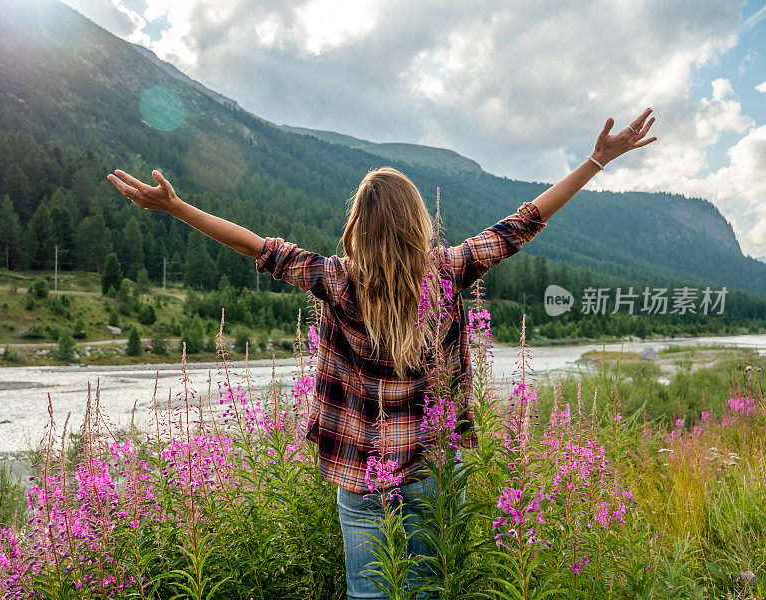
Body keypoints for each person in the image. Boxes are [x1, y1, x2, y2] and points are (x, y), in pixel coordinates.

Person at [108, 108, 656, 599]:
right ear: (418, 223)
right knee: (431, 587)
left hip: (360, 476)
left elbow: (258, 246)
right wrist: (595, 162)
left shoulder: (335, 281)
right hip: (433, 469)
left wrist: (177, 207)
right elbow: (524, 223)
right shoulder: (450, 272)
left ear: (356, 229)